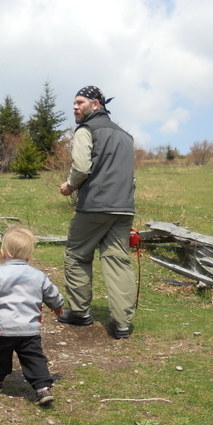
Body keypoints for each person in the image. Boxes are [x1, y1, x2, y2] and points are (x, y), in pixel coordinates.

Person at [58, 85, 136, 339]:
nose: (75, 107)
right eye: (74, 103)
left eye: (80, 102)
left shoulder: (86, 130)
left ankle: (80, 313)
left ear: (96, 104)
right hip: (124, 208)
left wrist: (69, 186)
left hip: (94, 206)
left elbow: (81, 167)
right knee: (118, 262)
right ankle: (122, 324)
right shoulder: (126, 136)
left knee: (77, 254)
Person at [0, 226, 64, 406]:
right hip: (29, 328)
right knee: (34, 357)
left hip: (2, 327)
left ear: (3, 253)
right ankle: (43, 387)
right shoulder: (38, 275)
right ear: (29, 256)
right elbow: (51, 293)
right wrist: (57, 306)